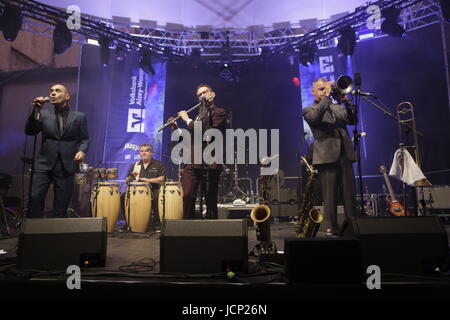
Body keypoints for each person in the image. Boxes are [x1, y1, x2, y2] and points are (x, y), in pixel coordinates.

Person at [302, 77, 358, 236]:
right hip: (326, 156)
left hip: (345, 154)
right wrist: (327, 96)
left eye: (324, 88)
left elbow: (352, 120)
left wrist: (346, 102)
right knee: (330, 196)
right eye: (320, 89)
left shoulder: (335, 106)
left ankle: (352, 227)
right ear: (313, 92)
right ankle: (332, 228)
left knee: (349, 195)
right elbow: (315, 118)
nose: (323, 91)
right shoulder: (308, 109)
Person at [25, 84, 89, 218]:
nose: (53, 93)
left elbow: (84, 139)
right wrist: (36, 109)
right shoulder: (43, 113)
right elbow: (30, 131)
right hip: (43, 163)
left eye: (57, 91)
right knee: (35, 198)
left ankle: (55, 236)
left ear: (67, 96)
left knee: (61, 204)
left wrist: (81, 151)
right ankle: (33, 234)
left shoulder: (79, 117)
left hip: (65, 165)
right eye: (51, 91)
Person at [168, 84, 227, 219]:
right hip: (192, 161)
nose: (202, 95)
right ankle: (188, 231)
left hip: (210, 162)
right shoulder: (197, 118)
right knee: (188, 196)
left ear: (213, 94)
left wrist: (187, 119)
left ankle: (212, 232)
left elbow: (208, 133)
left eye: (205, 92)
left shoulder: (219, 113)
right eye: (199, 94)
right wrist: (176, 128)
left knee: (210, 200)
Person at [125, 143, 166, 227]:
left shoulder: (158, 164)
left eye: (146, 151)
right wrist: (129, 178)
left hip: (153, 190)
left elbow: (162, 179)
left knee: (158, 195)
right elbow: (128, 180)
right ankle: (129, 222)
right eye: (141, 151)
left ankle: (156, 223)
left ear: (151, 152)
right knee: (123, 197)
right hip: (138, 191)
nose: (143, 153)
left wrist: (147, 180)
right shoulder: (136, 165)